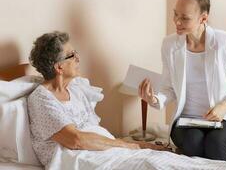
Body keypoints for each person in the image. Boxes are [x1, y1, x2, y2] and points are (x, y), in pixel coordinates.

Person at [138, 0, 226, 161]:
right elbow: (168, 88)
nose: (177, 21)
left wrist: (224, 106)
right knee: (193, 141)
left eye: (184, 18)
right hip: (187, 121)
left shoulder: (225, 41)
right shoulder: (169, 45)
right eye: (175, 14)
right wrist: (153, 99)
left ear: (203, 18)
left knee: (216, 142)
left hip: (225, 120)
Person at [27, 32, 148, 167]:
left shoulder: (75, 90)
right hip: (80, 158)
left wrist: (140, 146)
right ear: (59, 67)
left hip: (105, 152)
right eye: (72, 55)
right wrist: (124, 145)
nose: (78, 58)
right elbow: (76, 140)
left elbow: (94, 131)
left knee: (158, 160)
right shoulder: (41, 99)